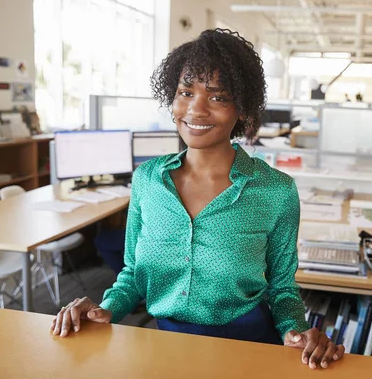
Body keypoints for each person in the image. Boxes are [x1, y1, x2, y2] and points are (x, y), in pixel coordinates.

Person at [50, 28, 345, 369]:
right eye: (185, 92)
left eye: (217, 97)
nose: (196, 109)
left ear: (243, 109)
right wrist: (105, 308)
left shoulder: (275, 191)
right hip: (162, 347)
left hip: (247, 350)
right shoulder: (148, 180)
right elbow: (132, 273)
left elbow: (281, 289)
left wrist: (296, 330)